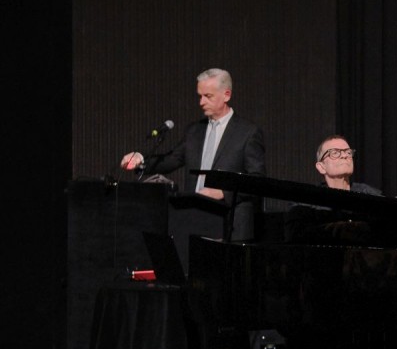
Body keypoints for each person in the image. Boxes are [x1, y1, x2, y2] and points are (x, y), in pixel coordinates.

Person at [120, 68, 266, 240]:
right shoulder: (194, 131)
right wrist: (141, 161)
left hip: (230, 223)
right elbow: (172, 159)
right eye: (200, 96)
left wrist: (223, 192)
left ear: (226, 95)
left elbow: (257, 180)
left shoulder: (247, 132)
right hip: (196, 219)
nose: (201, 102)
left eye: (208, 96)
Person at [283, 135, 383, 244]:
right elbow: (294, 236)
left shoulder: (371, 195)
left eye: (348, 152)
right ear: (321, 167)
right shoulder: (306, 201)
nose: (344, 156)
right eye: (335, 153)